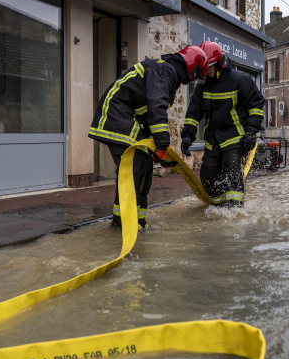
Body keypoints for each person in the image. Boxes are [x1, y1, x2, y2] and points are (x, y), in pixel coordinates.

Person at [89, 46, 208, 229]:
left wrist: (160, 151)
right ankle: (122, 223)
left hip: (127, 118)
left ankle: (138, 221)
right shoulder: (164, 71)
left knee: (143, 164)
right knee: (134, 165)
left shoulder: (168, 75)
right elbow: (156, 108)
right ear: (193, 67)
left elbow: (150, 116)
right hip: (117, 114)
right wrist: (161, 144)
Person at [180, 41, 265, 207]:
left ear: (220, 62)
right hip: (214, 138)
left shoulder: (239, 80)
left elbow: (257, 104)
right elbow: (193, 114)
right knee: (208, 174)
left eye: (209, 66)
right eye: (205, 66)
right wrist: (187, 137)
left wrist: (251, 132)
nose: (207, 70)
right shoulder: (202, 87)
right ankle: (217, 208)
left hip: (235, 136)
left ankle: (235, 212)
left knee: (233, 172)